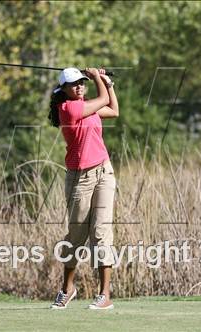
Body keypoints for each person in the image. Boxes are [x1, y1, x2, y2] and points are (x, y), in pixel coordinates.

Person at [48, 67, 119, 310]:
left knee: (102, 233)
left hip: (104, 172)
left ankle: (104, 295)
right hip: (80, 178)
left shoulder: (87, 105)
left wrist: (108, 84)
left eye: (82, 82)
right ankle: (67, 289)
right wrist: (98, 77)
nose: (79, 86)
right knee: (76, 236)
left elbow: (113, 110)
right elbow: (102, 101)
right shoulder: (68, 108)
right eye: (74, 84)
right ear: (63, 90)